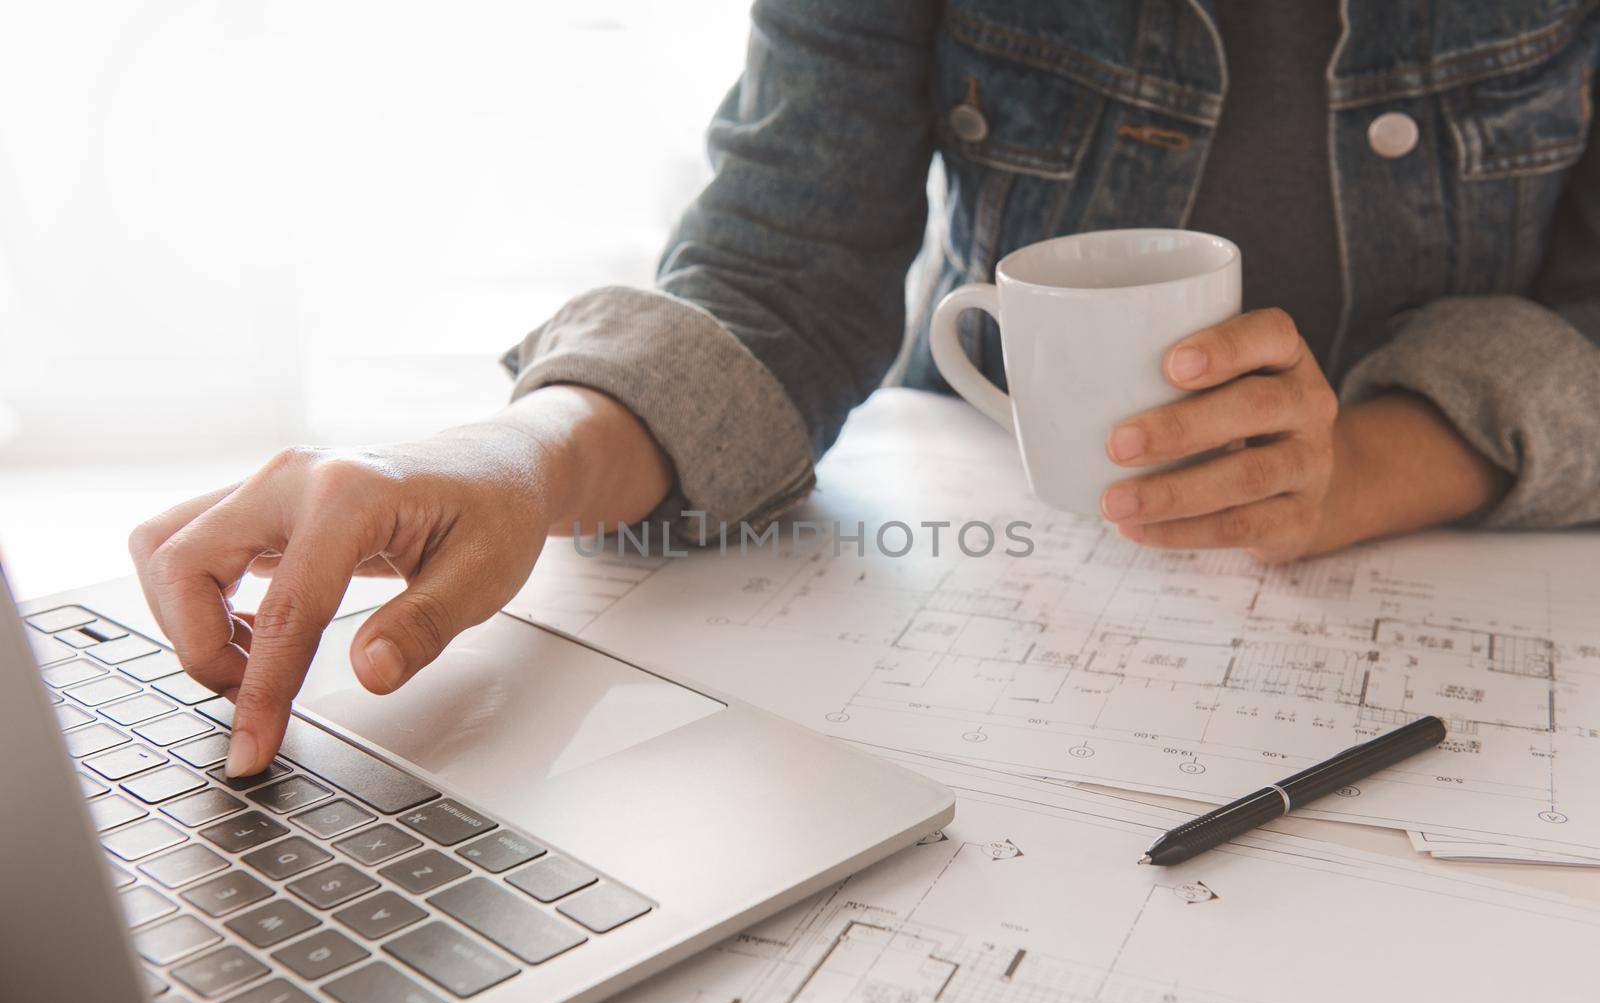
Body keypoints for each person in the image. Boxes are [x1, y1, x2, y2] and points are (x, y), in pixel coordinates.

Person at [129, 1, 1600, 778]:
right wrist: (512, 464)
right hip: (1003, 616)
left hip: (1469, 578)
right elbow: (782, 276)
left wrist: (1361, 475)